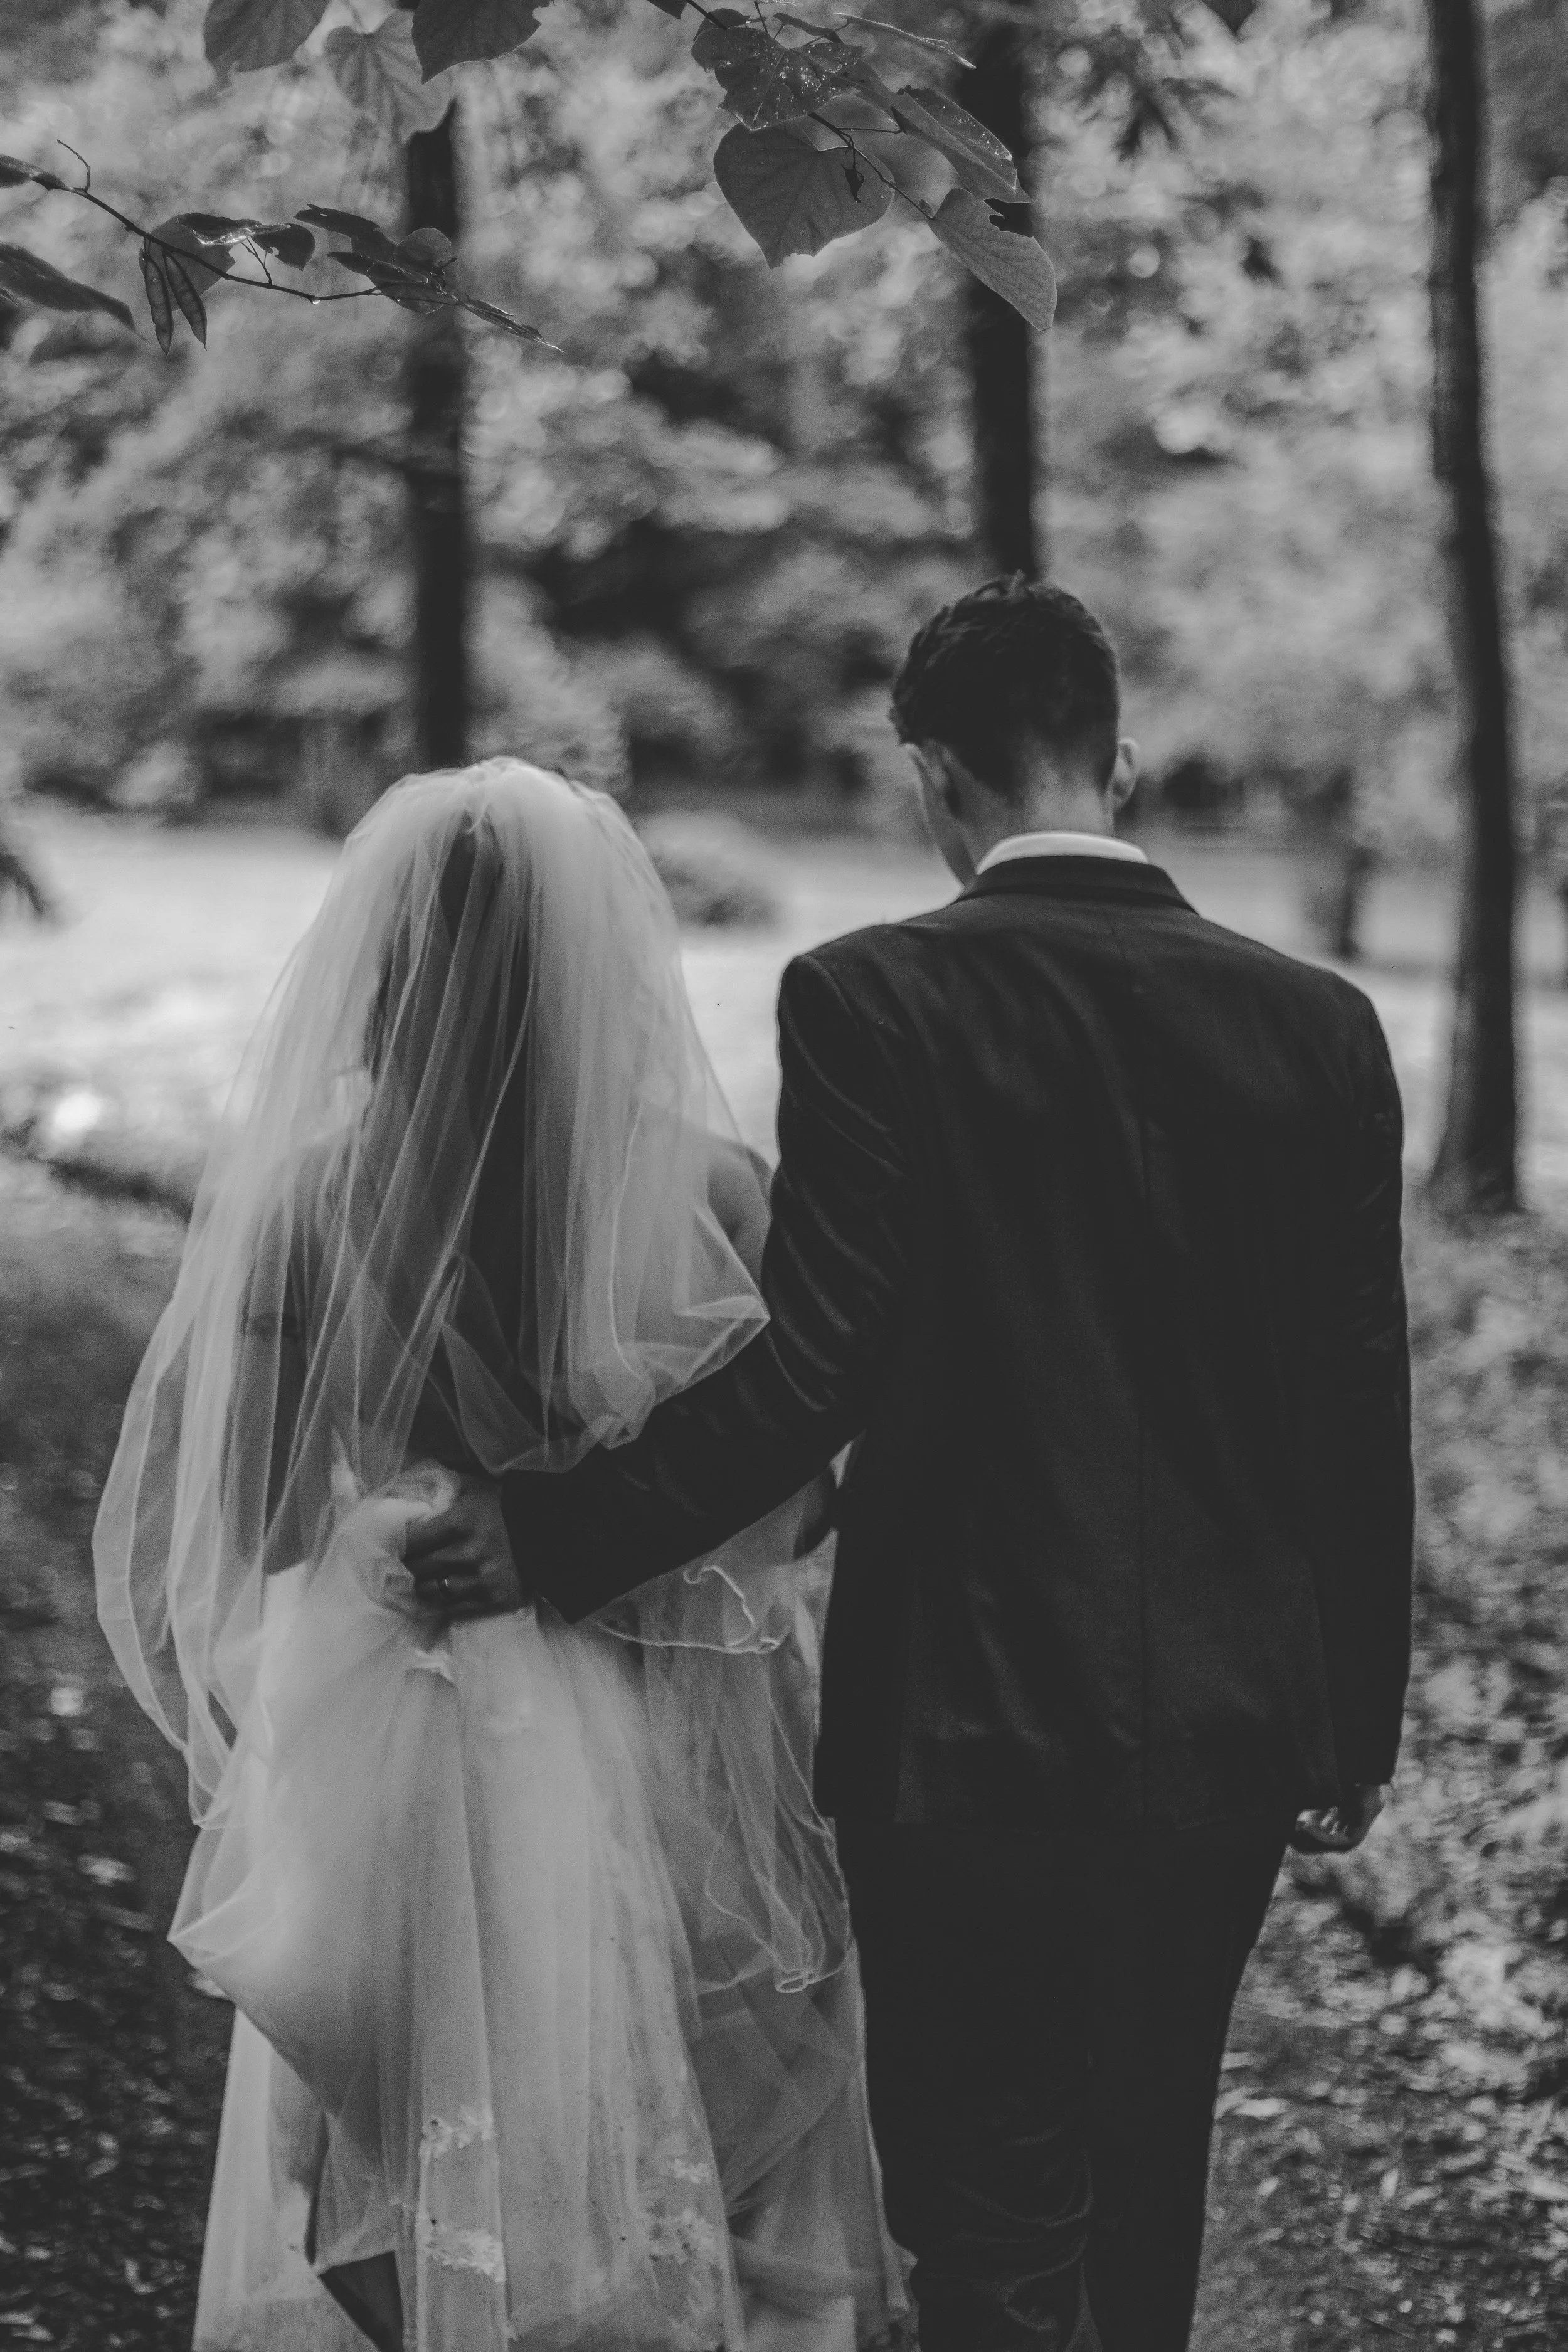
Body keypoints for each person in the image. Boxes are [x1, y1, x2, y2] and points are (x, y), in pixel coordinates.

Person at [411, 580, 1416, 2352]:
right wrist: (1357, 1707)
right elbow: (1353, 1403)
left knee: (979, 2204)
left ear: (932, 778)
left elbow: (810, 1368)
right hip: (1230, 1720)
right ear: (1120, 756)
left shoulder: (869, 995)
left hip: (952, 1719)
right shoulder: (1319, 1024)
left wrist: (553, 1529)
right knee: (1143, 2162)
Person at [93, 762, 909, 2352]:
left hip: (394, 1732)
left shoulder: (309, 1205)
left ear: (381, 955)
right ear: (595, 959)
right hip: (669, 1734)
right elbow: (803, 1506)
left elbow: (254, 1522)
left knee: (396, 2142)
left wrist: (389, 1500)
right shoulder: (710, 1190)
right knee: (669, 2131)